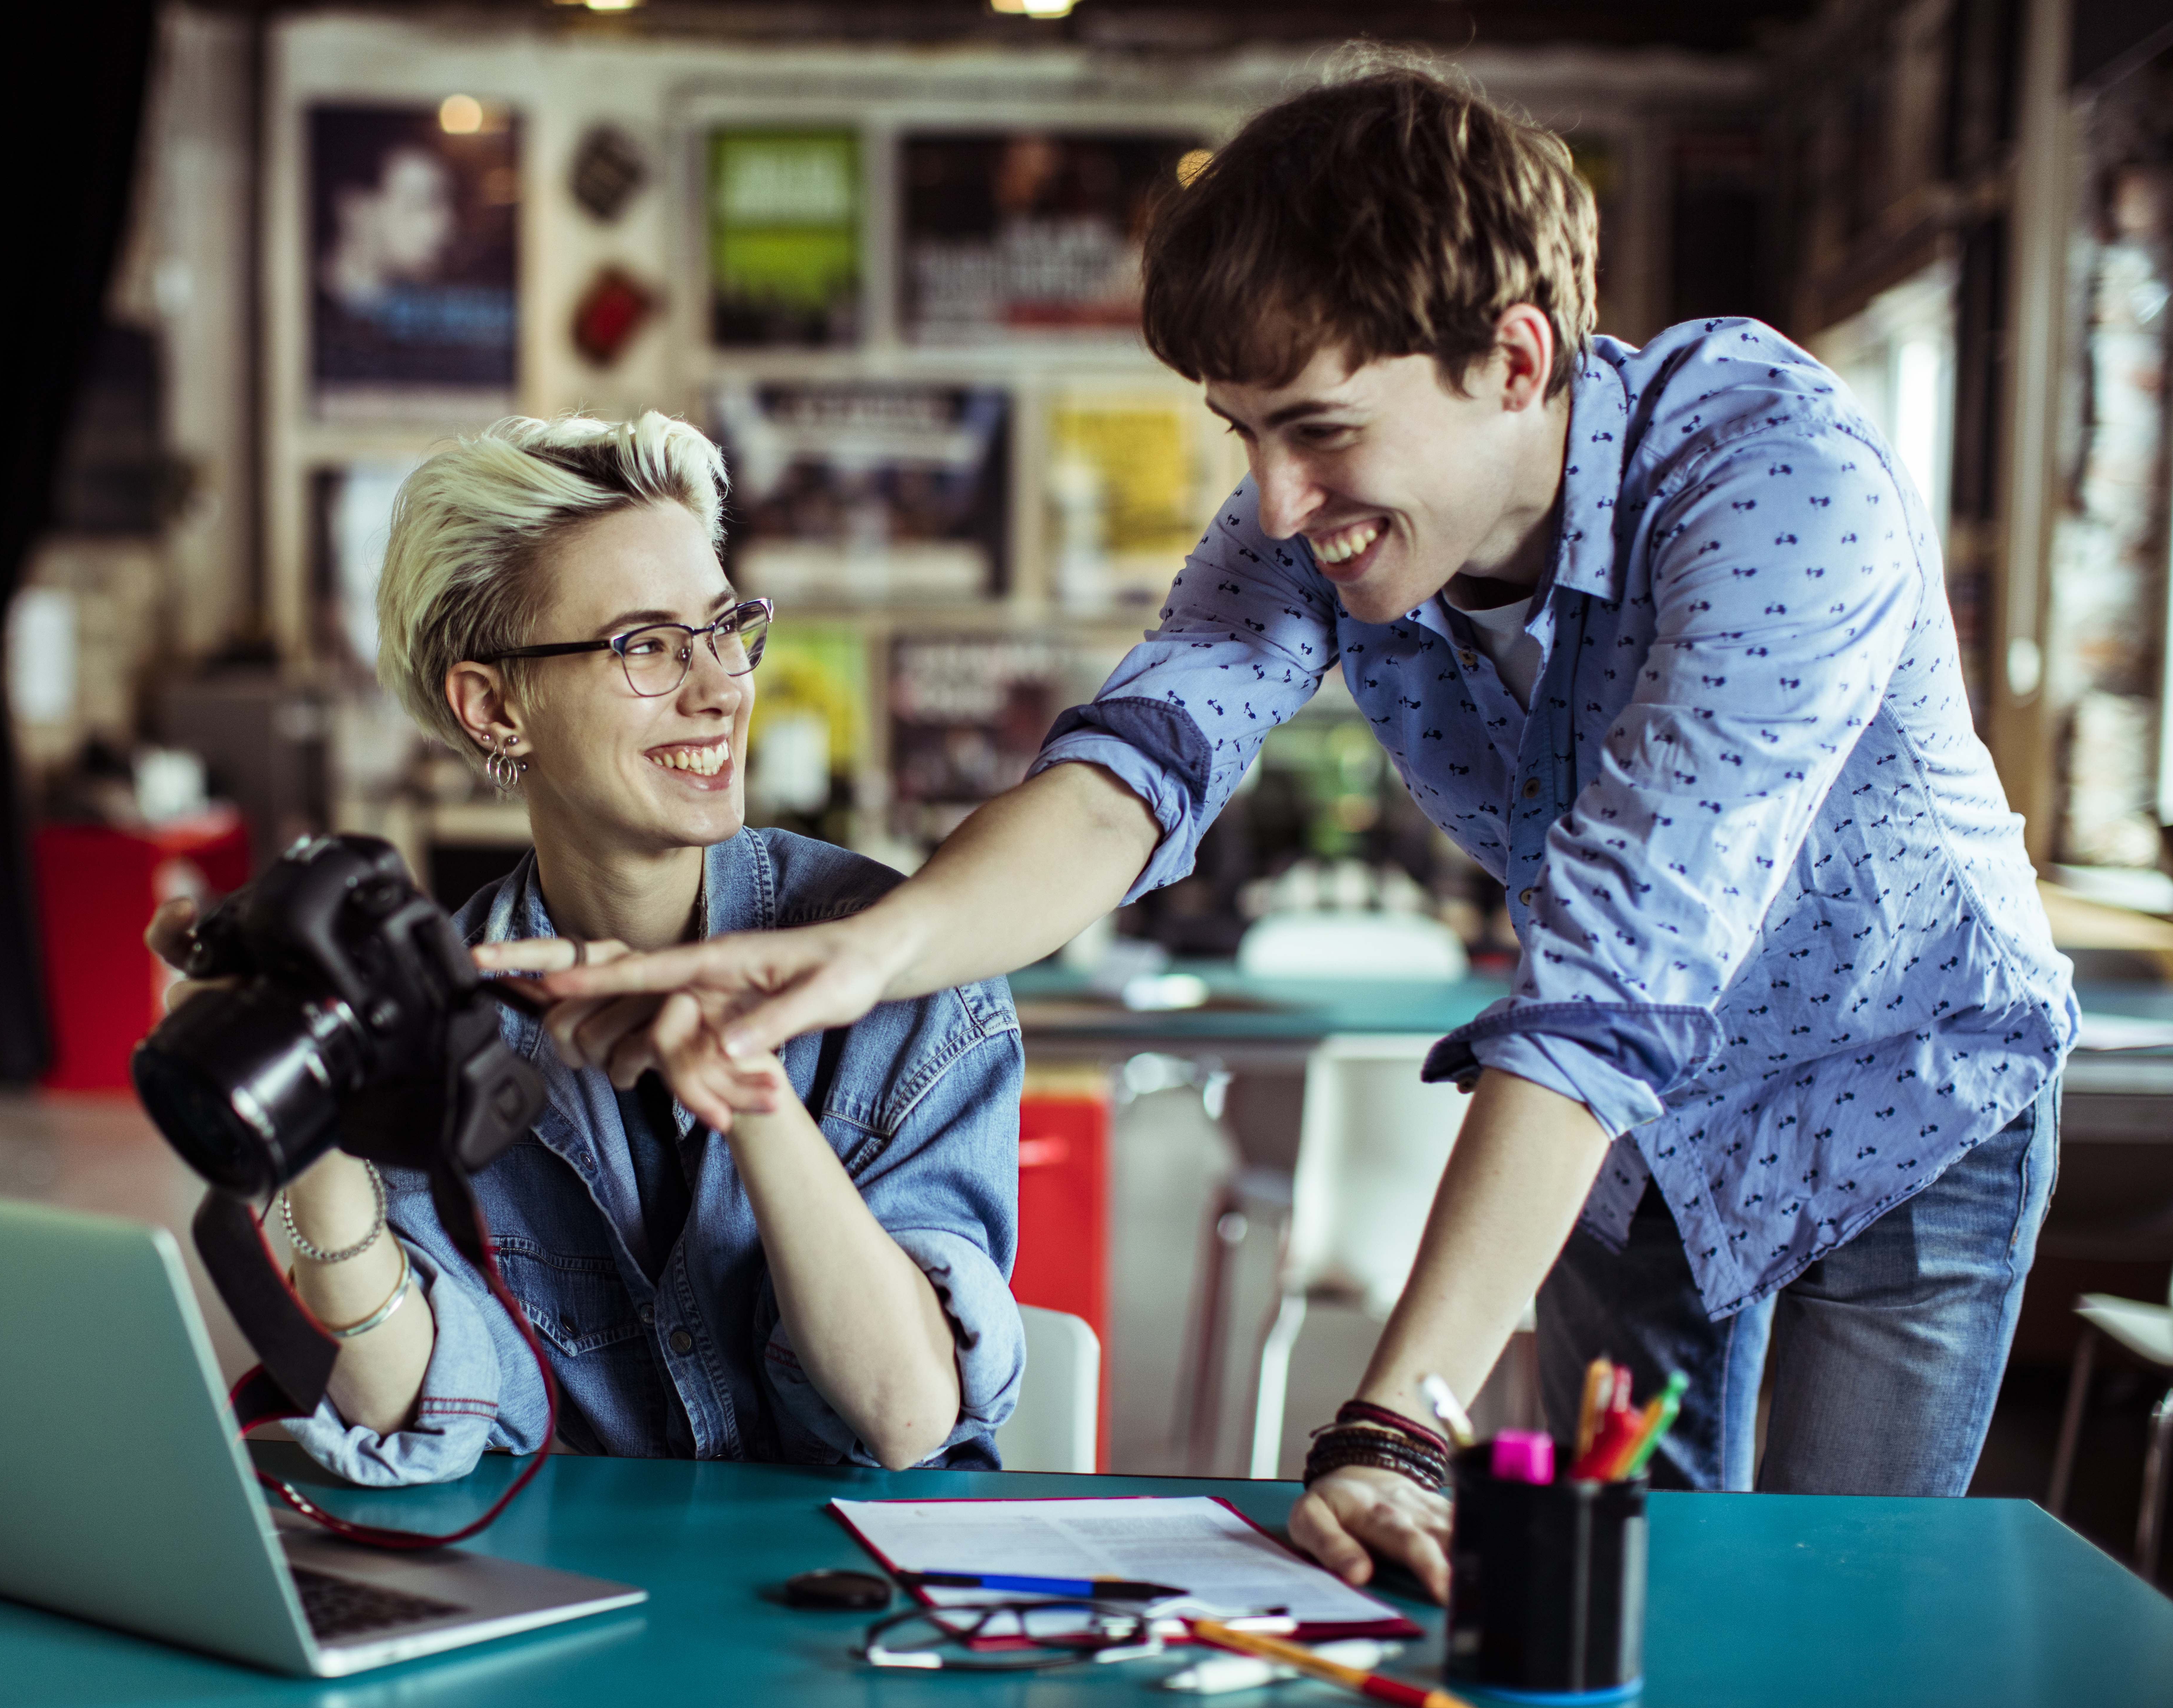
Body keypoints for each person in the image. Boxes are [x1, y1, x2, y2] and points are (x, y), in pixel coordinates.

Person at [533, 65, 2077, 1597]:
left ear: (1515, 357)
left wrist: (1398, 1424)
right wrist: (858, 956)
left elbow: (1623, 961)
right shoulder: (1326, 516)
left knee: (1832, 1607)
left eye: (1319, 431)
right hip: (1625, 1145)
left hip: (1897, 1096)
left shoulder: (1769, 476)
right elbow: (1130, 773)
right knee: (1612, 1603)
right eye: (1239, 433)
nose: (1274, 504)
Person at [149, 413, 1023, 1482]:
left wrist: (745, 1085)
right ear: (494, 708)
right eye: (645, 646)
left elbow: (906, 1414)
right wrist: (310, 1093)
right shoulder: (434, 1015)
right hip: (591, 1599)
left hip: (864, 1615)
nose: (718, 688)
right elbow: (418, 1401)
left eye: (722, 630)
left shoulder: (897, 964)